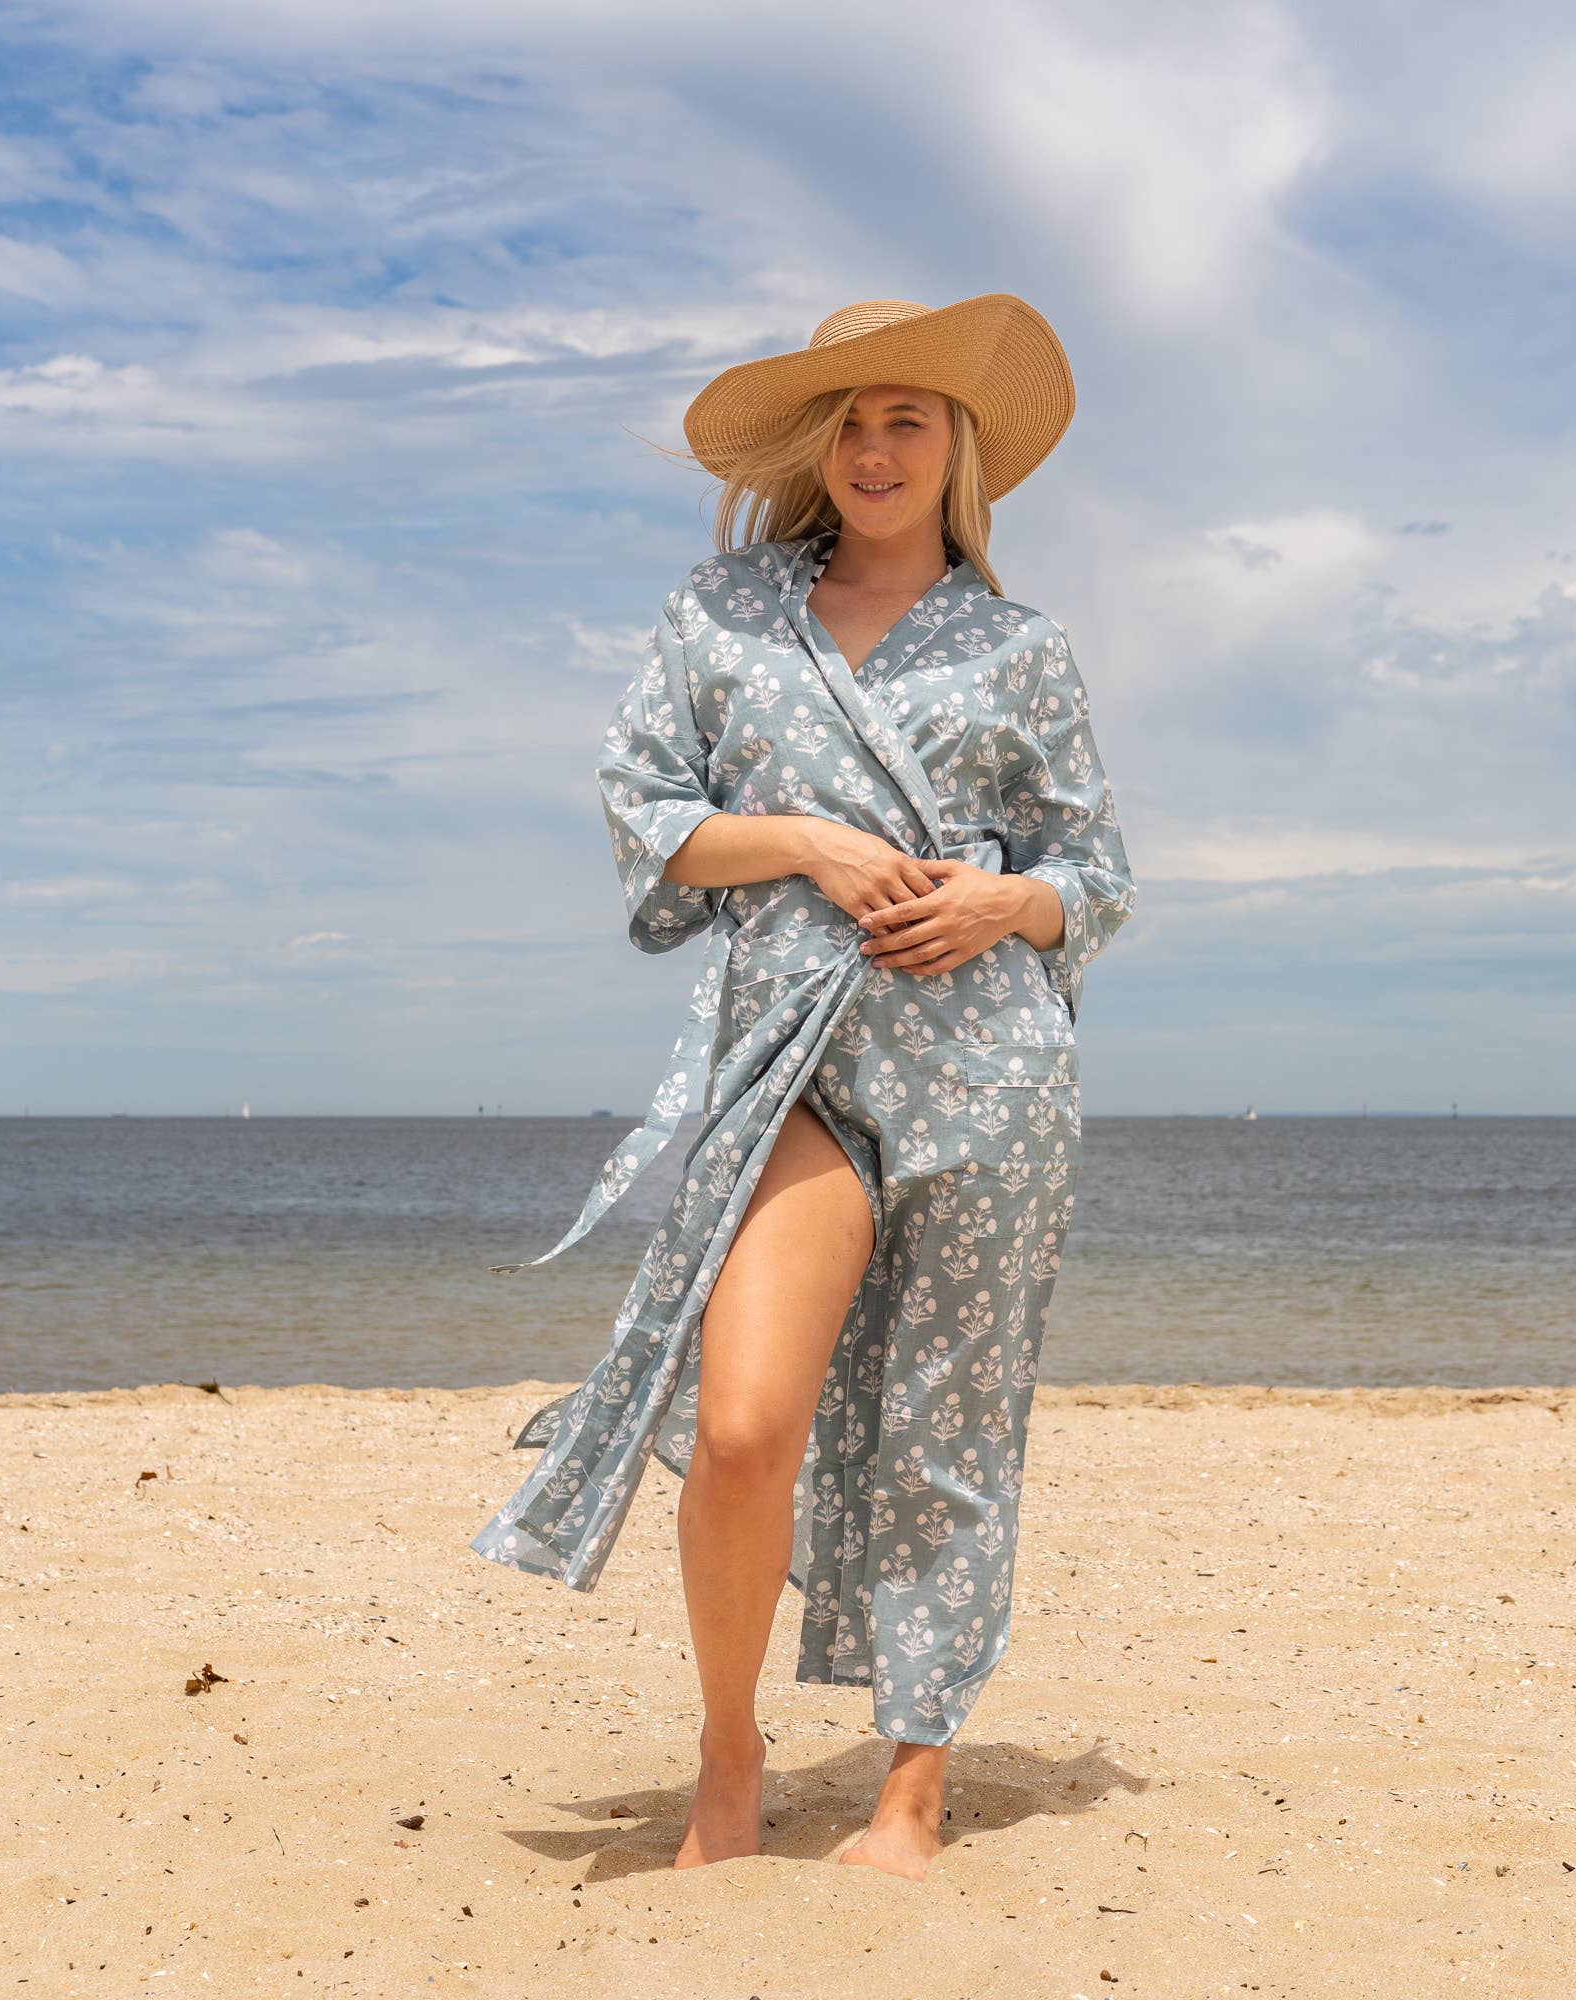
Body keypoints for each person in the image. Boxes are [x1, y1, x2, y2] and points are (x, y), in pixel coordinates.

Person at [469, 295, 1135, 1880]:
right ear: (814, 450)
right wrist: (811, 843)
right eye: (849, 420)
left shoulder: (1020, 647)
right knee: (751, 1423)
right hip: (797, 1067)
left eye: (908, 419)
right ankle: (730, 1751)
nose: (875, 447)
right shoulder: (721, 617)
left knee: (948, 1428)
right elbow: (648, 816)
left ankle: (914, 1775)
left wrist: (1003, 903)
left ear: (959, 448)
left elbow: (1094, 872)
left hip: (992, 1071)